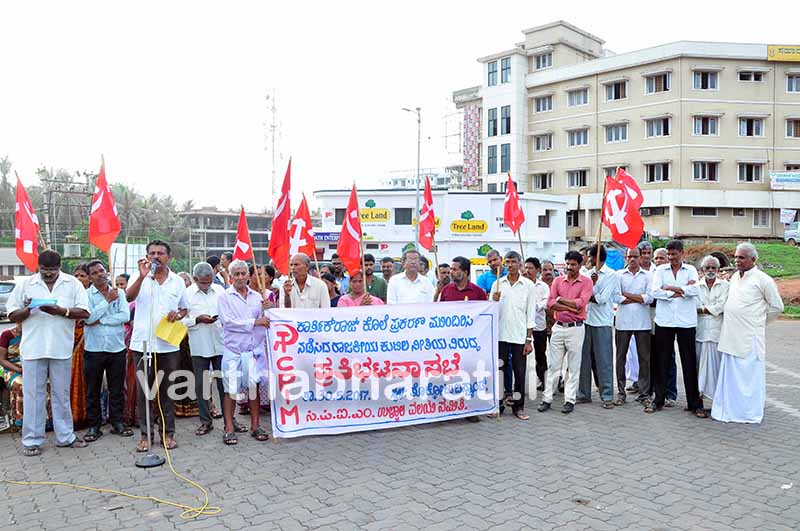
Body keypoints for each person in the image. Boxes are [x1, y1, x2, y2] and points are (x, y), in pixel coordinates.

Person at [7, 250, 90, 456]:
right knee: (33, 396)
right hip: (33, 349)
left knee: (61, 394)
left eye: (52, 270)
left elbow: (85, 312)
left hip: (61, 347)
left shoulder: (73, 283)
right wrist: (28, 310)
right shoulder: (26, 284)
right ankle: (32, 440)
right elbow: (11, 314)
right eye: (44, 270)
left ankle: (65, 437)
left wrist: (61, 311)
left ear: (60, 267)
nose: (48, 274)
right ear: (38, 267)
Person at [126, 240, 189, 452]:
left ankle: (167, 433)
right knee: (145, 391)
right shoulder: (140, 276)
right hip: (142, 343)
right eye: (152, 253)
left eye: (160, 253)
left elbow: (184, 309)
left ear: (168, 257)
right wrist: (142, 276)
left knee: (166, 390)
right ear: (146, 255)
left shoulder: (177, 281)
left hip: (168, 344)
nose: (156, 256)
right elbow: (128, 297)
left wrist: (177, 314)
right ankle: (146, 435)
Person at [712, 243, 783, 424]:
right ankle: (729, 409)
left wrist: (759, 322)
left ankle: (747, 412)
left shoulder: (763, 279)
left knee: (748, 376)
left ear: (753, 259)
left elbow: (777, 307)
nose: (737, 260)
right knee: (731, 376)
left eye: (742, 257)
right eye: (736, 257)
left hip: (749, 338)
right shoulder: (735, 277)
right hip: (730, 335)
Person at [647, 240, 706, 417]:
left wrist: (671, 288)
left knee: (689, 362)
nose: (671, 258)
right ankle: (659, 400)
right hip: (664, 321)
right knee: (661, 362)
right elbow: (655, 292)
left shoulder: (691, 270)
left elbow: (695, 291)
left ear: (682, 253)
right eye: (669, 254)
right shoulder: (659, 270)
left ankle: (694, 403)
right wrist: (681, 291)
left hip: (686, 322)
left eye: (674, 254)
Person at [217, 259, 271, 444]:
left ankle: (256, 426)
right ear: (231, 277)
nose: (240, 277)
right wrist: (255, 322)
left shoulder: (258, 297)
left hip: (253, 351)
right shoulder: (224, 297)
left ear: (248, 275)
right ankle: (229, 427)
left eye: (243, 273)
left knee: (253, 389)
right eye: (236, 274)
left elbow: (266, 321)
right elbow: (228, 322)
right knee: (230, 391)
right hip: (233, 352)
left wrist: (267, 311)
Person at [83, 260, 133, 442]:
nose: (100, 274)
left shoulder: (119, 292)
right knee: (93, 389)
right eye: (95, 272)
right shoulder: (86, 295)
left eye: (102, 270)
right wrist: (106, 302)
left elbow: (125, 316)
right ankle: (94, 426)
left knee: (117, 388)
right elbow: (88, 318)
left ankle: (117, 422)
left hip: (116, 347)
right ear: (89, 277)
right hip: (94, 349)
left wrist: (101, 319)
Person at [539, 251, 593, 415]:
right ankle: (547, 398)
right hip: (558, 326)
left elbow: (581, 303)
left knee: (573, 366)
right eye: (568, 264)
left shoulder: (586, 282)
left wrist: (561, 300)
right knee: (554, 365)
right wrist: (570, 306)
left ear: (580, 265)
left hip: (576, 328)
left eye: (573, 265)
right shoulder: (557, 281)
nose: (570, 267)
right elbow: (550, 304)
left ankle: (569, 400)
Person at [487, 251, 535, 420]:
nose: (509, 265)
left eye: (513, 262)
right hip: (500, 336)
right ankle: (497, 405)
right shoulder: (498, 285)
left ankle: (519, 407)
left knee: (519, 372)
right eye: (507, 262)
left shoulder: (528, 285)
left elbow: (530, 314)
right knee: (499, 370)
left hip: (519, 336)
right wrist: (494, 300)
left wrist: (528, 340)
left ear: (520, 264)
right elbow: (491, 311)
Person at [183, 262, 226, 436]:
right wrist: (197, 320)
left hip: (221, 343)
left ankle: (230, 421)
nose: (206, 285)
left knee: (226, 384)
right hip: (199, 344)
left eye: (209, 282)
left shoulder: (221, 291)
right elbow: (179, 320)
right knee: (202, 386)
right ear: (194, 279)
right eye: (202, 282)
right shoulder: (186, 295)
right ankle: (205, 421)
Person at [577, 246, 620, 409]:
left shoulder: (611, 275)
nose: (587, 259)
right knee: (584, 360)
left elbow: (601, 299)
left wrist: (591, 287)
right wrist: (589, 287)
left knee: (604, 360)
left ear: (596, 257)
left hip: (603, 322)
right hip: (586, 320)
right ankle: (583, 393)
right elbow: (580, 297)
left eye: (589, 256)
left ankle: (607, 395)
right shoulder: (586, 275)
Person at [614, 247, 653, 406]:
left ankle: (644, 393)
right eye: (630, 256)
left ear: (640, 257)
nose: (632, 259)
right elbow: (616, 297)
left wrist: (627, 295)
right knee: (620, 358)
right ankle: (621, 392)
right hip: (623, 323)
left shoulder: (649, 275)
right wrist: (638, 298)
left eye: (635, 256)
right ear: (625, 257)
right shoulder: (618, 275)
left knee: (645, 359)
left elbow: (649, 298)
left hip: (643, 323)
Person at [0, 323, 52, 430]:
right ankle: (22, 421)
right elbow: (2, 360)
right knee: (21, 385)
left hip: (33, 366)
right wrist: (19, 369)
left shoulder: (34, 334)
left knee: (46, 383)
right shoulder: (7, 335)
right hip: (13, 369)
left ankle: (47, 420)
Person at [696, 255, 729, 403]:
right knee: (698, 368)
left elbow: (722, 306)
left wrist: (703, 309)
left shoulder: (725, 286)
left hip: (717, 333)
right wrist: (710, 309)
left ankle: (717, 400)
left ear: (718, 269)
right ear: (702, 270)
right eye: (707, 268)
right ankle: (699, 399)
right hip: (700, 333)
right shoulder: (696, 287)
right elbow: (693, 306)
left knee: (717, 368)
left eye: (713, 268)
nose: (710, 270)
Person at [525, 258, 549, 392]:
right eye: (526, 268)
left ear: (537, 270)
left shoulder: (543, 286)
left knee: (541, 354)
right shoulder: (522, 284)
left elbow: (545, 303)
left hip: (539, 324)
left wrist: (533, 306)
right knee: (522, 354)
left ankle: (543, 380)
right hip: (524, 325)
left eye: (531, 268)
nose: (528, 271)